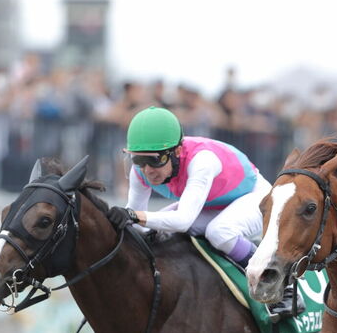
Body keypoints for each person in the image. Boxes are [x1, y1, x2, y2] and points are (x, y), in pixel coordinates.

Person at [107, 106, 303, 320]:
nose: (147, 170)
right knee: (158, 230)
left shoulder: (202, 161)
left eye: (155, 160)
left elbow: (177, 220)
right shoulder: (140, 172)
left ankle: (281, 285)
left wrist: (133, 216)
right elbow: (136, 223)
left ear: (178, 152)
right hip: (212, 204)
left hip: (255, 198)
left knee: (219, 232)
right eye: (138, 160)